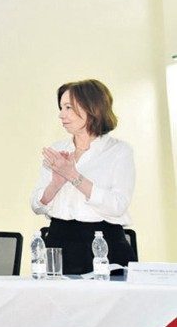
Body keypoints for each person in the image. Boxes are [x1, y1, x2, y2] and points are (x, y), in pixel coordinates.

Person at [31, 79, 136, 275]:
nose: (61, 115)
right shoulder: (57, 149)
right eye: (61, 107)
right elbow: (37, 205)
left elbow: (118, 205)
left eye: (69, 107)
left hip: (104, 242)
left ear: (92, 107)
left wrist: (73, 176)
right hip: (58, 240)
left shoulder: (119, 151)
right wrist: (56, 183)